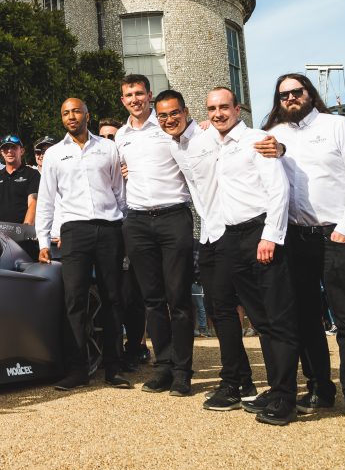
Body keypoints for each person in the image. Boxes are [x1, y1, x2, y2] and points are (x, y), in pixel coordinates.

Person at [264, 72, 345, 425]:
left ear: (310, 93)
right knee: (305, 318)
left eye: (296, 92)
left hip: (335, 234)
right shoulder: (275, 134)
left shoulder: (337, 126)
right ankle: (319, 387)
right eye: (283, 95)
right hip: (296, 238)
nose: (290, 99)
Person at [186, 87, 298, 425]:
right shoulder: (211, 143)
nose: (218, 113)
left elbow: (279, 190)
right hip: (229, 237)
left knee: (274, 318)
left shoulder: (258, 140)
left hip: (259, 233)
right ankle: (273, 390)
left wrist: (271, 236)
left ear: (238, 108)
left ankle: (285, 396)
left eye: (224, 107)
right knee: (257, 317)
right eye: (212, 109)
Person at [156, 89, 258, 408]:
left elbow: (231, 134)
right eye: (163, 115)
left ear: (186, 113)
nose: (170, 119)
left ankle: (246, 383)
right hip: (209, 233)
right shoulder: (173, 146)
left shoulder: (208, 135)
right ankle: (243, 381)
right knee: (217, 311)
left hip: (235, 230)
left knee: (247, 310)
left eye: (175, 113)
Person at [36, 98, 129, 391]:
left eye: (76, 111)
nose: (71, 116)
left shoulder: (108, 147)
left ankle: (114, 368)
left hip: (109, 228)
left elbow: (119, 191)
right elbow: (47, 199)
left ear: (88, 115)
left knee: (112, 298)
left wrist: (122, 226)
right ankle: (77, 370)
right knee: (74, 300)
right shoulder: (53, 154)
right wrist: (42, 239)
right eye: (65, 113)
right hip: (74, 231)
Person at [116, 74, 196, 396]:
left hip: (173, 216)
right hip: (136, 221)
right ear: (122, 100)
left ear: (149, 95)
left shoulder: (168, 127)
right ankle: (163, 366)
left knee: (179, 299)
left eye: (139, 93)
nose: (134, 99)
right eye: (128, 94)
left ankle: (183, 370)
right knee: (152, 301)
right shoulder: (120, 137)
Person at [0, 135, 39, 225]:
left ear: (21, 151)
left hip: (22, 232)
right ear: (2, 152)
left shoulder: (32, 174)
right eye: (6, 148)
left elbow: (33, 203)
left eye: (14, 147)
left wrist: (26, 230)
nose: (9, 151)